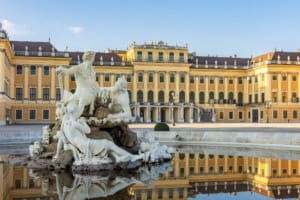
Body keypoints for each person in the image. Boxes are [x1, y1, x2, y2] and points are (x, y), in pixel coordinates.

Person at [56, 51, 98, 116]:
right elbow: (68, 71)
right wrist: (61, 69)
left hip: (89, 93)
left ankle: (73, 119)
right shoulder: (79, 67)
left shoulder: (92, 70)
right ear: (90, 58)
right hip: (79, 92)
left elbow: (94, 84)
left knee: (82, 100)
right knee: (70, 102)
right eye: (93, 58)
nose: (93, 60)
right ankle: (70, 118)